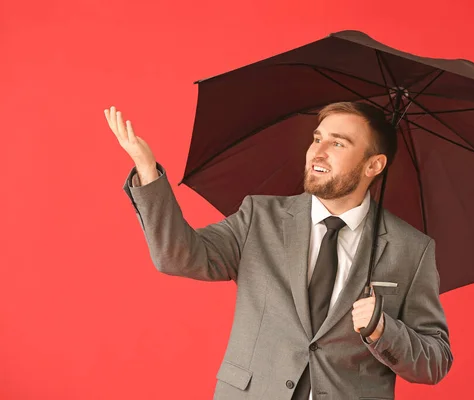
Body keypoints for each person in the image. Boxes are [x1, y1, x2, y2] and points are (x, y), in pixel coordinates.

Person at [104, 101, 453, 399]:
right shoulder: (260, 217)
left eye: (338, 143)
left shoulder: (411, 249)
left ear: (374, 165)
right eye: (317, 139)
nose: (318, 151)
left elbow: (435, 361)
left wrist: (381, 329)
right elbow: (177, 256)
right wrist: (148, 173)